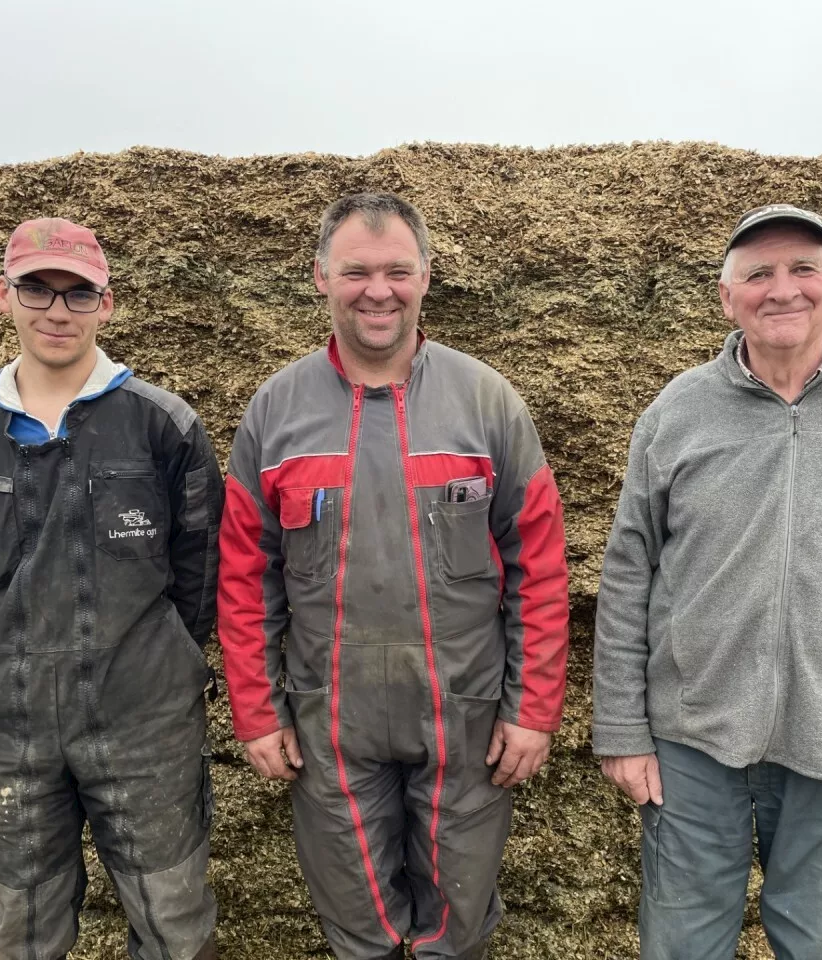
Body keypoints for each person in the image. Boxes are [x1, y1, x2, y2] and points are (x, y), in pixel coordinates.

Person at [593, 204, 822, 959]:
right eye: (758, 273)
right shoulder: (678, 412)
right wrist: (622, 729)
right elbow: (628, 576)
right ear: (728, 298)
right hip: (691, 745)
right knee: (681, 945)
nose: (781, 289)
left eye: (803, 269)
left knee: (819, 947)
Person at [217, 193, 570, 960]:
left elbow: (539, 569)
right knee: (358, 928)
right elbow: (247, 581)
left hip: (467, 722)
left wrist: (535, 708)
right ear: (321, 278)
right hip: (330, 728)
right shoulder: (274, 413)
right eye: (357, 272)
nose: (378, 290)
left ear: (426, 278)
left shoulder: (488, 404)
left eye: (397, 271)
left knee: (459, 924)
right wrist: (256, 709)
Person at [0, 217, 223, 960]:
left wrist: (156, 661)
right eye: (37, 288)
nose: (57, 310)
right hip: (7, 720)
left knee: (170, 914)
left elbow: (202, 567)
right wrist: (10, 650)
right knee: (26, 920)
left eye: (77, 293)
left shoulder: (163, 425)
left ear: (106, 305)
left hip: (143, 716)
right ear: (4, 296)